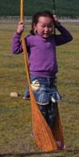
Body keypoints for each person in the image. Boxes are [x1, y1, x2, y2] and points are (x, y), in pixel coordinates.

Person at [12, 11, 73, 141]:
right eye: (43, 26)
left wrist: (58, 25)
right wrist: (18, 33)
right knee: (41, 108)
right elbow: (15, 49)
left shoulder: (53, 39)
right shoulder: (30, 39)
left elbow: (68, 37)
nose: (46, 29)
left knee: (52, 110)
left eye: (50, 26)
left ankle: (47, 133)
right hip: (37, 79)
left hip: (51, 80)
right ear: (34, 26)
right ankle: (38, 133)